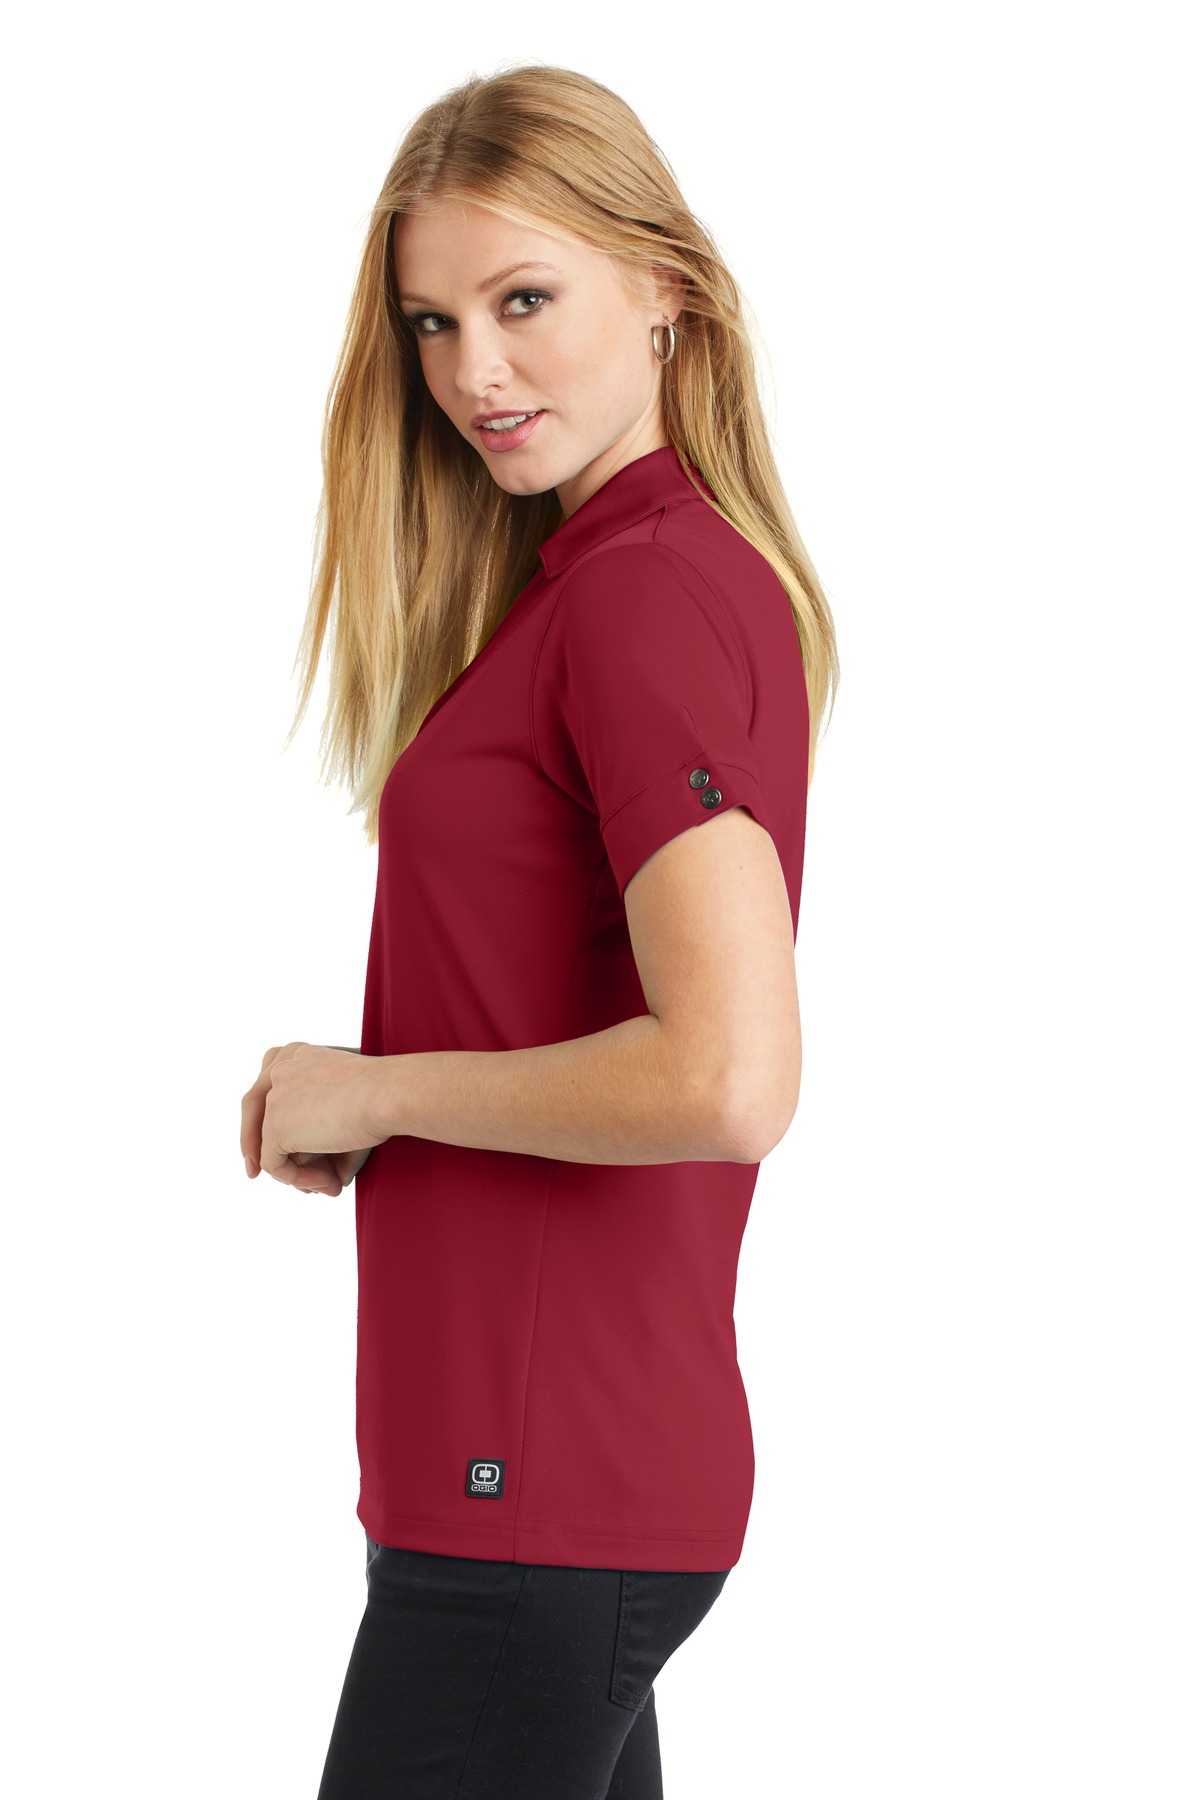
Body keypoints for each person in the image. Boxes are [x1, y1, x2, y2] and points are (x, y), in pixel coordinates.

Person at [239, 61, 838, 1800]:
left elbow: (730, 1076)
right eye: (433, 323)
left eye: (522, 302)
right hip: (531, 1480)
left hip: (541, 1484)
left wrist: (377, 1089)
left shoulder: (645, 593)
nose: (473, 376)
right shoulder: (607, 582)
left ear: (664, 290)